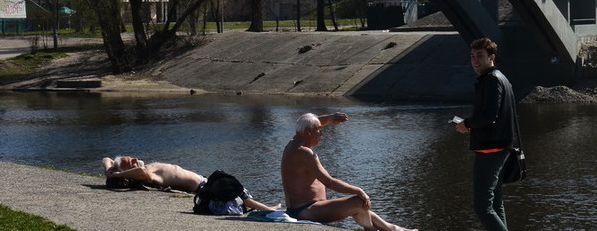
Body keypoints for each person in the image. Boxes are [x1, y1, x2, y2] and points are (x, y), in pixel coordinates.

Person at [281, 113, 417, 231]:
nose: (322, 133)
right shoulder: (304, 153)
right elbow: (330, 182)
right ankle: (372, 229)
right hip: (306, 211)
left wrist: (329, 118)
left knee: (360, 206)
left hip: (306, 208)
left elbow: (309, 124)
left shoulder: (291, 145)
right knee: (359, 202)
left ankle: (393, 229)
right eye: (319, 130)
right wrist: (359, 190)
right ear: (309, 132)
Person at [454, 37, 519, 231]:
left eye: (480, 56)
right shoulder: (501, 78)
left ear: (492, 57)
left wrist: (466, 124)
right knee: (495, 204)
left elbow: (489, 116)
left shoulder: (491, 80)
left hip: (490, 148)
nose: (475, 60)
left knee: (482, 206)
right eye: (472, 56)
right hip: (500, 146)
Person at [102, 156, 278, 212]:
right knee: (235, 189)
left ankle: (269, 209)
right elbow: (140, 173)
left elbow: (106, 159)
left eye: (130, 157)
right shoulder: (147, 175)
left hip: (205, 182)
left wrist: (111, 170)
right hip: (203, 188)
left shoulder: (146, 168)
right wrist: (120, 174)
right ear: (129, 172)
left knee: (237, 189)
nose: (134, 160)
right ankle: (270, 210)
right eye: (130, 162)